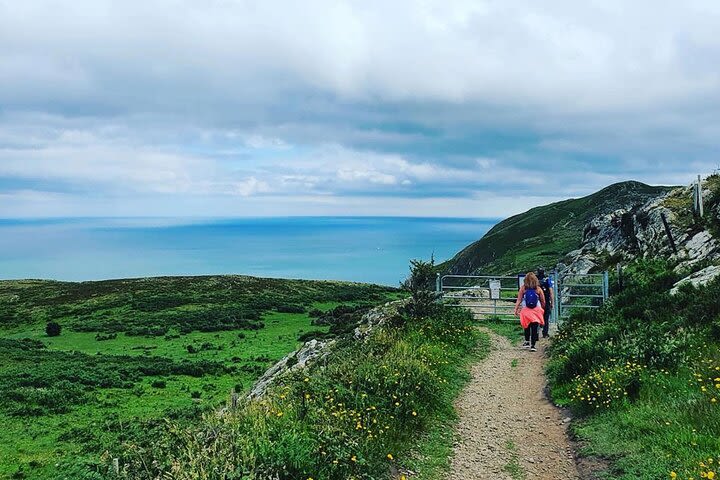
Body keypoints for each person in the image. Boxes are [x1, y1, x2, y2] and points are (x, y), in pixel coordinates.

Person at [514, 272, 546, 352]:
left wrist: (516, 309)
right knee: (535, 327)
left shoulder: (523, 288)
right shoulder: (538, 289)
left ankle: (527, 341)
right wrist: (542, 309)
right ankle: (533, 345)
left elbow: (519, 299)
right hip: (536, 310)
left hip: (526, 310)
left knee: (526, 326)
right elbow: (543, 301)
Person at [537, 267, 554, 338]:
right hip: (546, 300)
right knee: (546, 318)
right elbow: (551, 292)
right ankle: (545, 333)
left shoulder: (535, 279)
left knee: (536, 317)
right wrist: (552, 303)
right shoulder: (547, 280)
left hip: (537, 301)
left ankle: (536, 333)